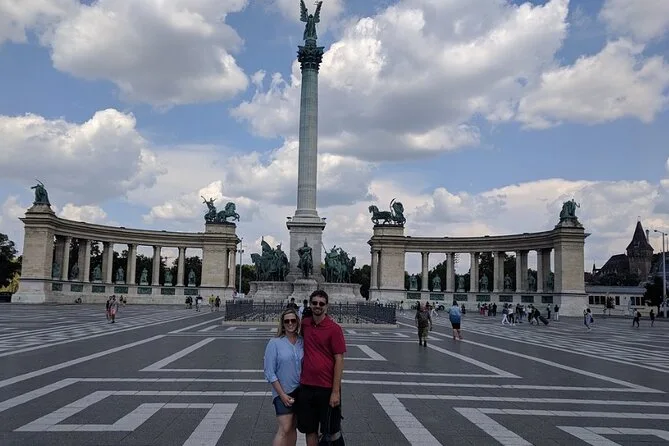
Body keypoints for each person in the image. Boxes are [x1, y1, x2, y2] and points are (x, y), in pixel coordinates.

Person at [297, 290, 346, 446]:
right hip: (306, 386)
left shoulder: (334, 329)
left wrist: (335, 391)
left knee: (332, 431)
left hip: (326, 387)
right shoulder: (305, 324)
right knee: (310, 430)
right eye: (315, 303)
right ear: (310, 304)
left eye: (321, 303)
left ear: (326, 306)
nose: (317, 306)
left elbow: (339, 359)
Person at [264, 308, 304, 446]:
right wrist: (282, 395)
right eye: (287, 321)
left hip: (300, 391)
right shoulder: (274, 343)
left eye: (293, 320)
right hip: (283, 391)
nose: (290, 323)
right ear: (282, 323)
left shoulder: (302, 341)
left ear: (297, 322)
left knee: (293, 426)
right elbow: (269, 372)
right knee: (284, 428)